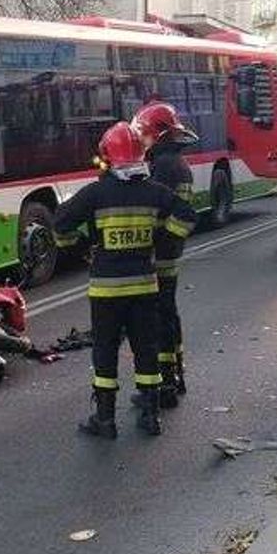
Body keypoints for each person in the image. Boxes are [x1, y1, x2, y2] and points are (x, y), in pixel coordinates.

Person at [54, 122, 196, 439]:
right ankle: (150, 416)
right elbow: (187, 216)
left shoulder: (95, 193)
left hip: (106, 290)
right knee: (146, 348)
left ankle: (104, 420)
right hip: (145, 286)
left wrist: (81, 250)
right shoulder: (155, 191)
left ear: (107, 155)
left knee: (105, 350)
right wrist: (160, 239)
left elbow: (60, 223)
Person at [132, 102, 198, 409]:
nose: (141, 140)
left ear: (157, 134)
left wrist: (156, 242)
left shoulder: (166, 165)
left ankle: (165, 384)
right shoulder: (172, 162)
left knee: (158, 320)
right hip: (168, 255)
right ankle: (175, 375)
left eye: (144, 134)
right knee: (167, 315)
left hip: (160, 256)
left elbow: (173, 214)